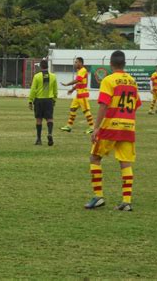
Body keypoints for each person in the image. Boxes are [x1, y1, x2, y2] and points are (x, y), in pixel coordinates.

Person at [85, 50, 141, 212]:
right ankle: (126, 201)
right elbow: (136, 104)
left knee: (95, 157)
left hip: (111, 126)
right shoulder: (132, 81)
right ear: (124, 64)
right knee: (125, 162)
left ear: (110, 64)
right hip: (128, 126)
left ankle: (98, 196)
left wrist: (96, 128)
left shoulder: (108, 80)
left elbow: (104, 104)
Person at [60, 57, 94, 134]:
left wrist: (67, 84)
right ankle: (69, 126)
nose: (75, 64)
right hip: (78, 95)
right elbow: (79, 83)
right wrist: (72, 90)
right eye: (75, 62)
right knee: (72, 109)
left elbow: (77, 80)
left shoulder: (83, 70)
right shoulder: (79, 71)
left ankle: (92, 127)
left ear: (81, 63)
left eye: (76, 62)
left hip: (83, 94)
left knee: (86, 111)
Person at [28, 60, 58, 146]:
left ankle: (39, 139)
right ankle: (49, 133)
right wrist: (54, 99)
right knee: (49, 118)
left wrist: (30, 100)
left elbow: (33, 89)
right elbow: (55, 90)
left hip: (39, 100)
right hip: (49, 100)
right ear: (47, 67)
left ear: (40, 67)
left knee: (39, 119)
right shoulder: (53, 76)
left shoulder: (37, 76)